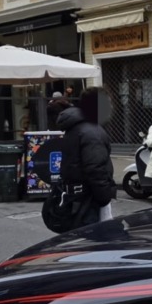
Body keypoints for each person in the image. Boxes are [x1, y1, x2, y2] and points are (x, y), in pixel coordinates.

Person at [57, 88, 118, 226]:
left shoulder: (77, 127)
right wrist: (104, 197)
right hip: (88, 199)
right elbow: (95, 168)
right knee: (93, 241)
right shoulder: (91, 131)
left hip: (76, 196)